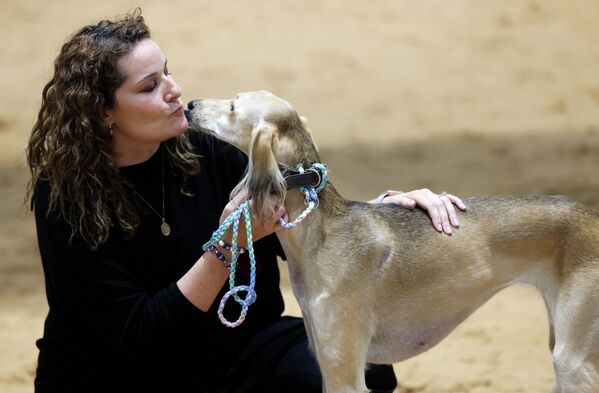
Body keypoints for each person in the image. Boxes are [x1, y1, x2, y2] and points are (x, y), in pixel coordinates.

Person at [26, 9, 466, 393]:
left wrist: (390, 207)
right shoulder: (65, 199)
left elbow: (306, 229)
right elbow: (144, 337)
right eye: (148, 87)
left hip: (237, 352)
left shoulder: (210, 150)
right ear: (103, 111)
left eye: (168, 72)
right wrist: (227, 245)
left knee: (360, 365)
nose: (174, 90)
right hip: (123, 376)